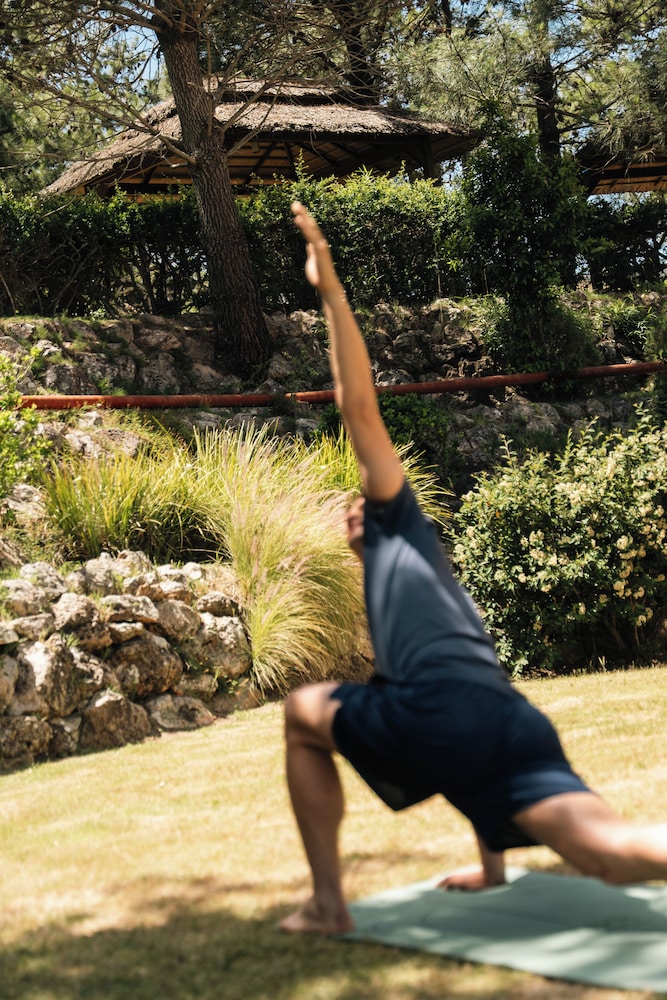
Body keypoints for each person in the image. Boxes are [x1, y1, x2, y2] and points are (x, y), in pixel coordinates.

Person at [280, 201, 667, 936]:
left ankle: (328, 904)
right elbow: (460, 743)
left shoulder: (400, 522)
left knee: (303, 714)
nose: (353, 510)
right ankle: (490, 866)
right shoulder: (417, 584)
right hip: (507, 719)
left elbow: (358, 409)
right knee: (610, 853)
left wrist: (331, 293)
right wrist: (491, 872)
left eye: (360, 503)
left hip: (451, 710)